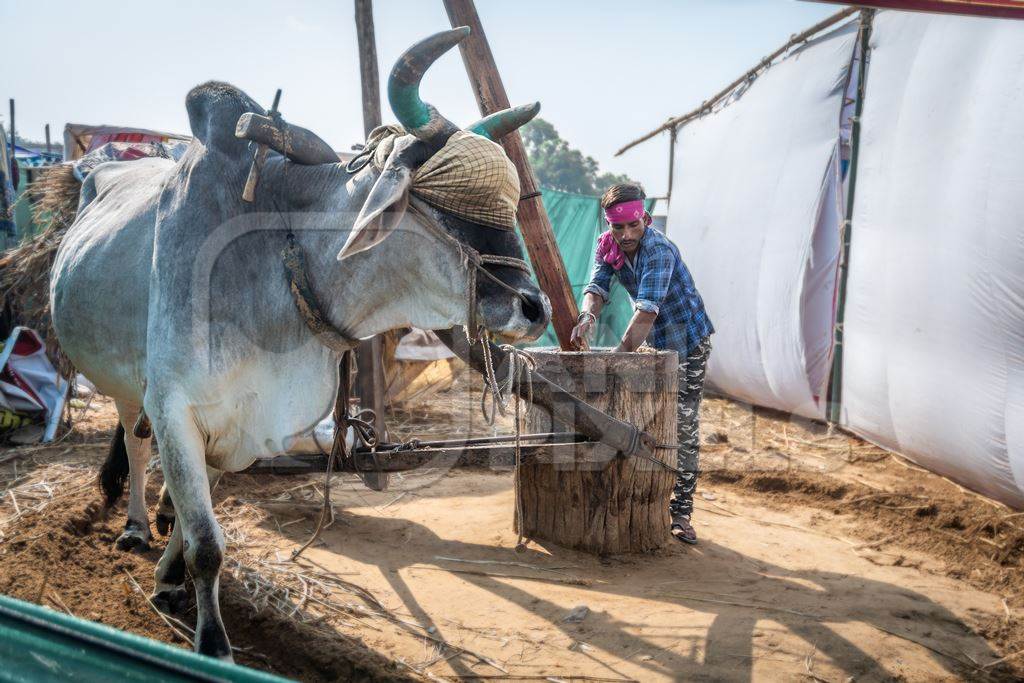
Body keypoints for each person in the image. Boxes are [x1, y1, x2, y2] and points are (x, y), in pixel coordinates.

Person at [571, 183, 714, 544]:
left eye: (633, 225)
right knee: (645, 419)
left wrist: (615, 361)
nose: (627, 234)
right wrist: (587, 316)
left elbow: (647, 313)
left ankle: (681, 512)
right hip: (655, 344)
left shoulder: (658, 250)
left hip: (687, 343)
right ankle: (641, 501)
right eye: (618, 227)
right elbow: (596, 287)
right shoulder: (608, 245)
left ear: (645, 219)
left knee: (682, 424)